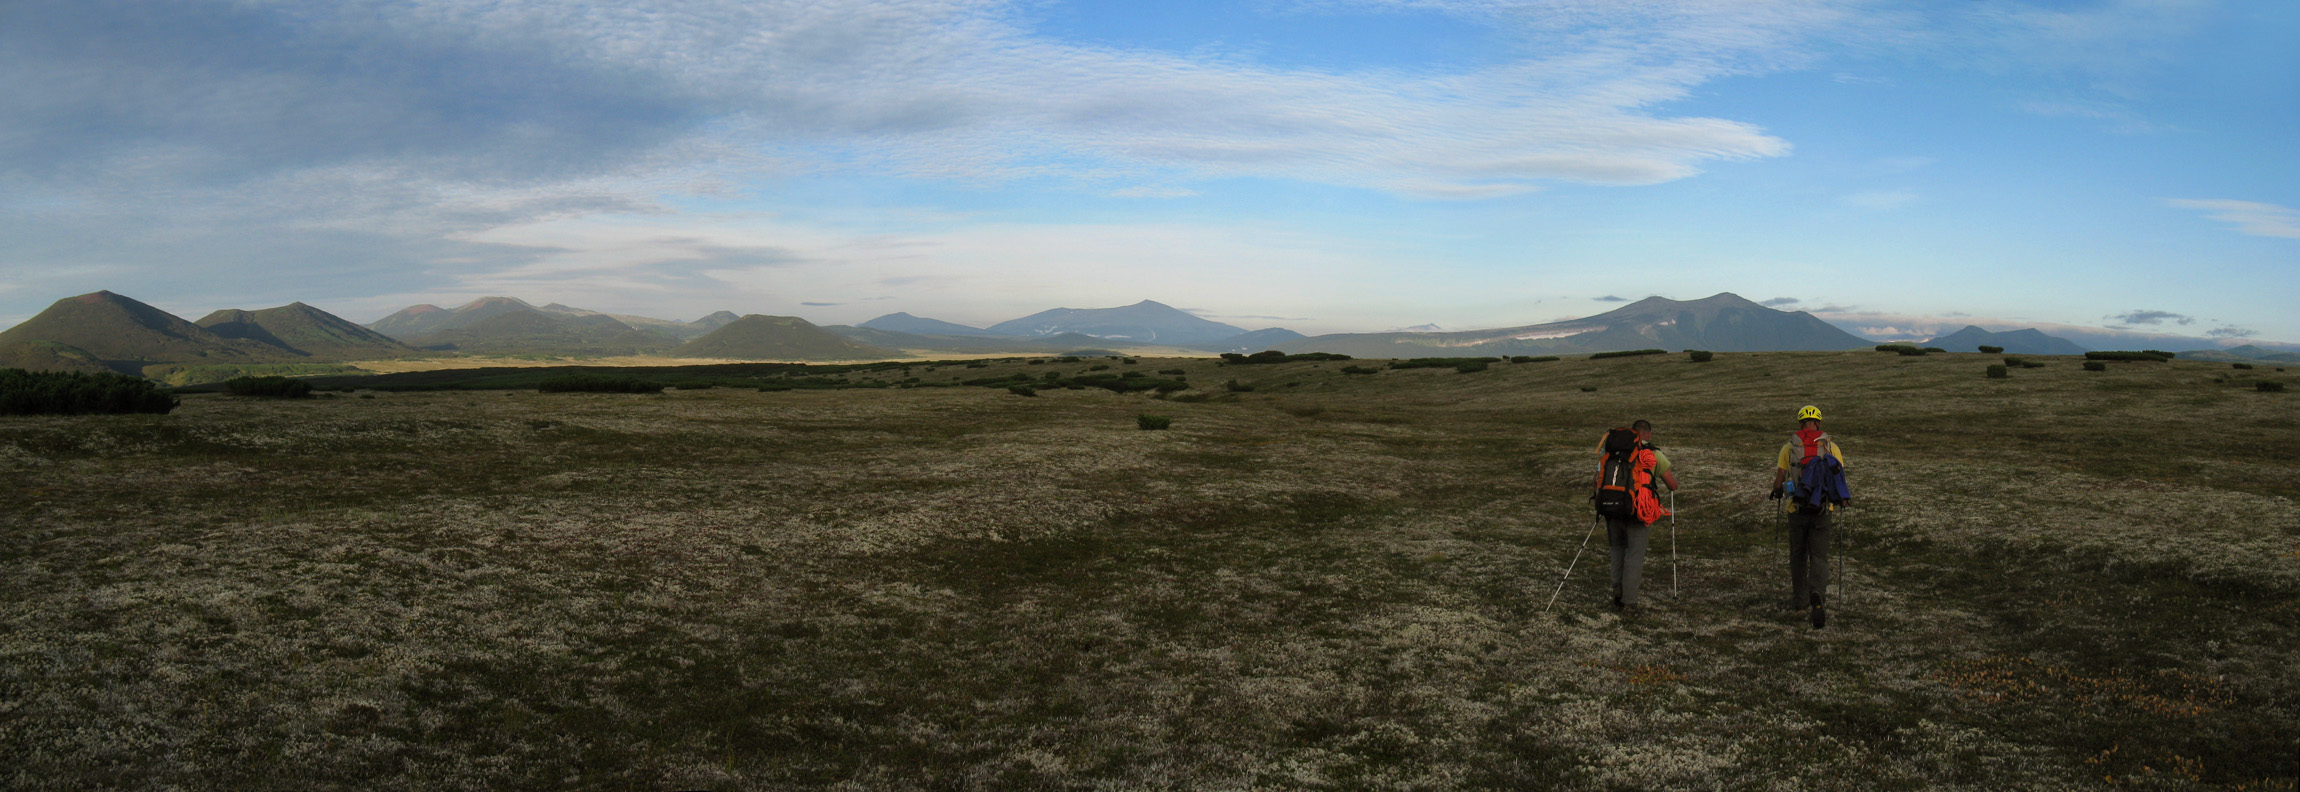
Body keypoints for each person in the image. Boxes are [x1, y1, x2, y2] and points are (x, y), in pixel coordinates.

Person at [1770, 405, 1848, 629]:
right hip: (1823, 510)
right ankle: (1818, 595)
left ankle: (1801, 601)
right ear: (1819, 424)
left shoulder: (1789, 447)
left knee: (1798, 555)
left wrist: (1777, 492)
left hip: (1796, 509)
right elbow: (1838, 477)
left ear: (1800, 424)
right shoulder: (1831, 447)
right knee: (1819, 556)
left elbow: (1779, 481)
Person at [1593, 419, 1679, 611]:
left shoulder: (1612, 453)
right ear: (1647, 434)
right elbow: (1672, 484)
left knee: (1616, 550)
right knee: (1634, 556)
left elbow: (1597, 479)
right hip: (1638, 512)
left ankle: (1617, 593)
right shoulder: (1652, 453)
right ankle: (1629, 603)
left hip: (1611, 509)